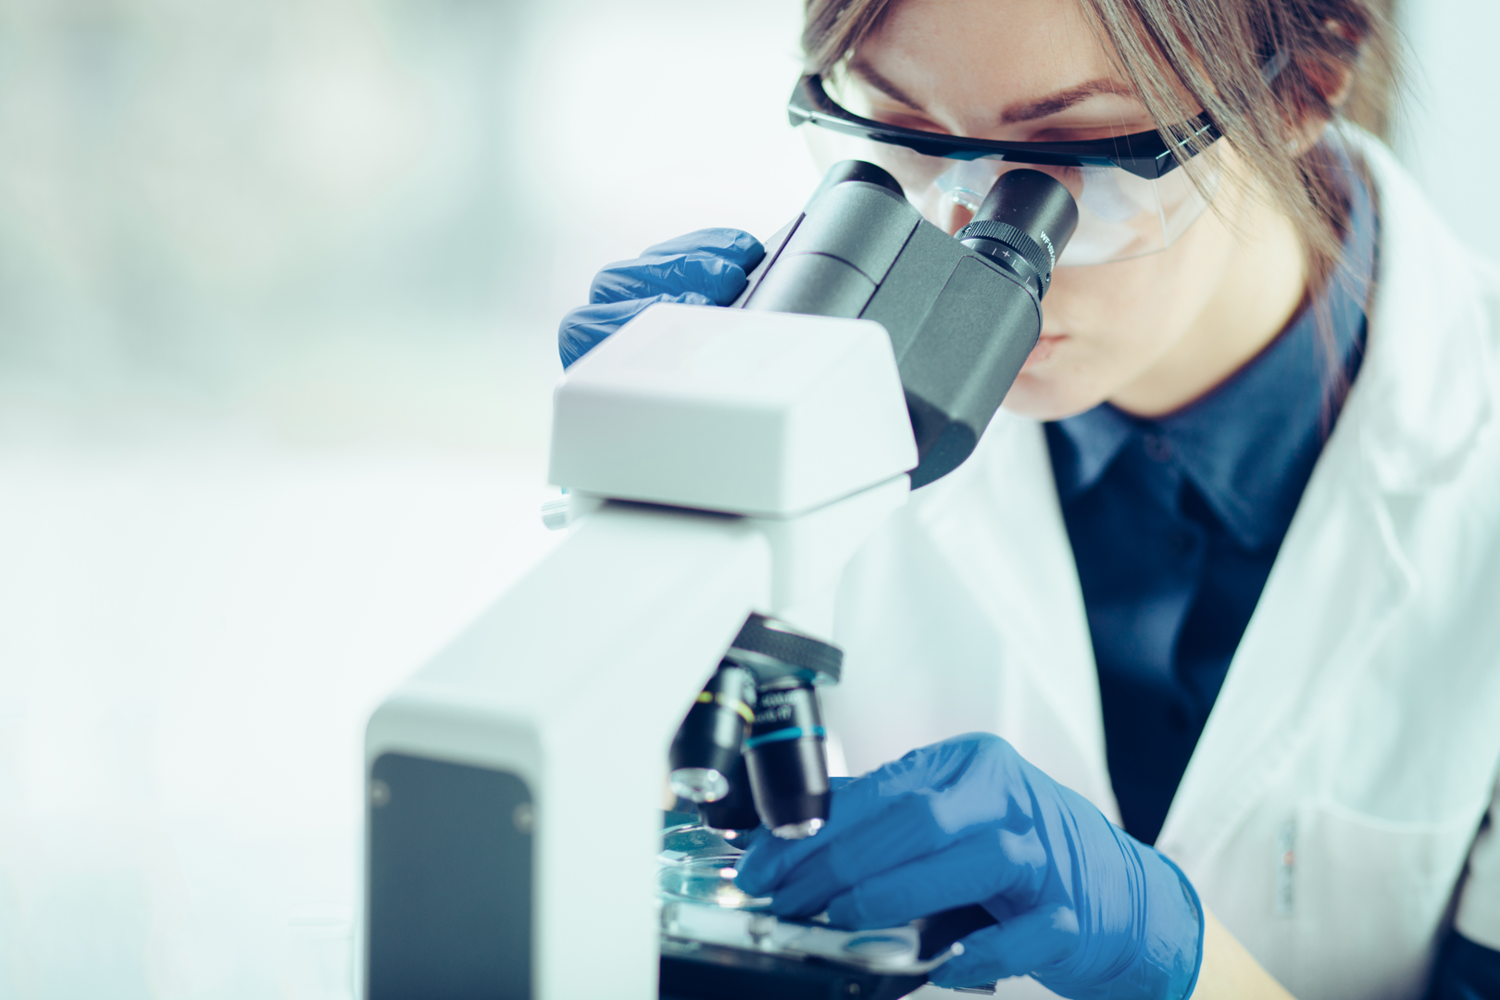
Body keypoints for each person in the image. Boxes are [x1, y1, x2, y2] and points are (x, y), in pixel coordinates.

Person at [558, 1, 1500, 997]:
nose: (964, 232)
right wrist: (649, 526)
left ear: (1308, 84)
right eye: (902, 133)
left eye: (1075, 149)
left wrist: (1178, 959)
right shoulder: (817, 382)